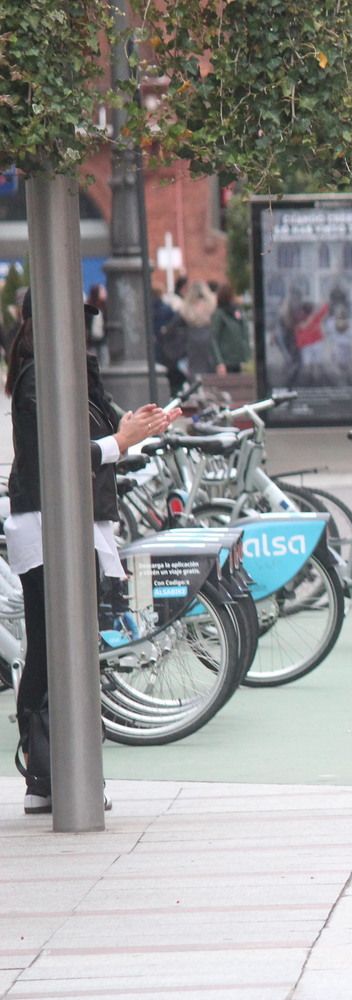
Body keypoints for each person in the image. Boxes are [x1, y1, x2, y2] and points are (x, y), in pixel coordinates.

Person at [6, 290, 178, 814]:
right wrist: (123, 441)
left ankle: (47, 774)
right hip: (49, 524)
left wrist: (135, 431)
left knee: (57, 646)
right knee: (59, 648)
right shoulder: (42, 377)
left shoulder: (71, 376)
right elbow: (60, 455)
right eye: (75, 321)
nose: (83, 332)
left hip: (71, 522)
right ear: (46, 324)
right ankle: (55, 770)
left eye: (84, 322)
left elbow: (96, 444)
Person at [163, 280, 224, 380]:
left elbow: (169, 329)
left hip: (191, 343)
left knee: (193, 374)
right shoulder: (211, 307)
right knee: (209, 376)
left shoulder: (186, 308)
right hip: (207, 343)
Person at [211, 285, 251, 374]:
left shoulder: (237, 311)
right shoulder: (219, 314)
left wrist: (246, 356)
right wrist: (220, 362)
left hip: (239, 360)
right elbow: (214, 338)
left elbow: (244, 333)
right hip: (226, 361)